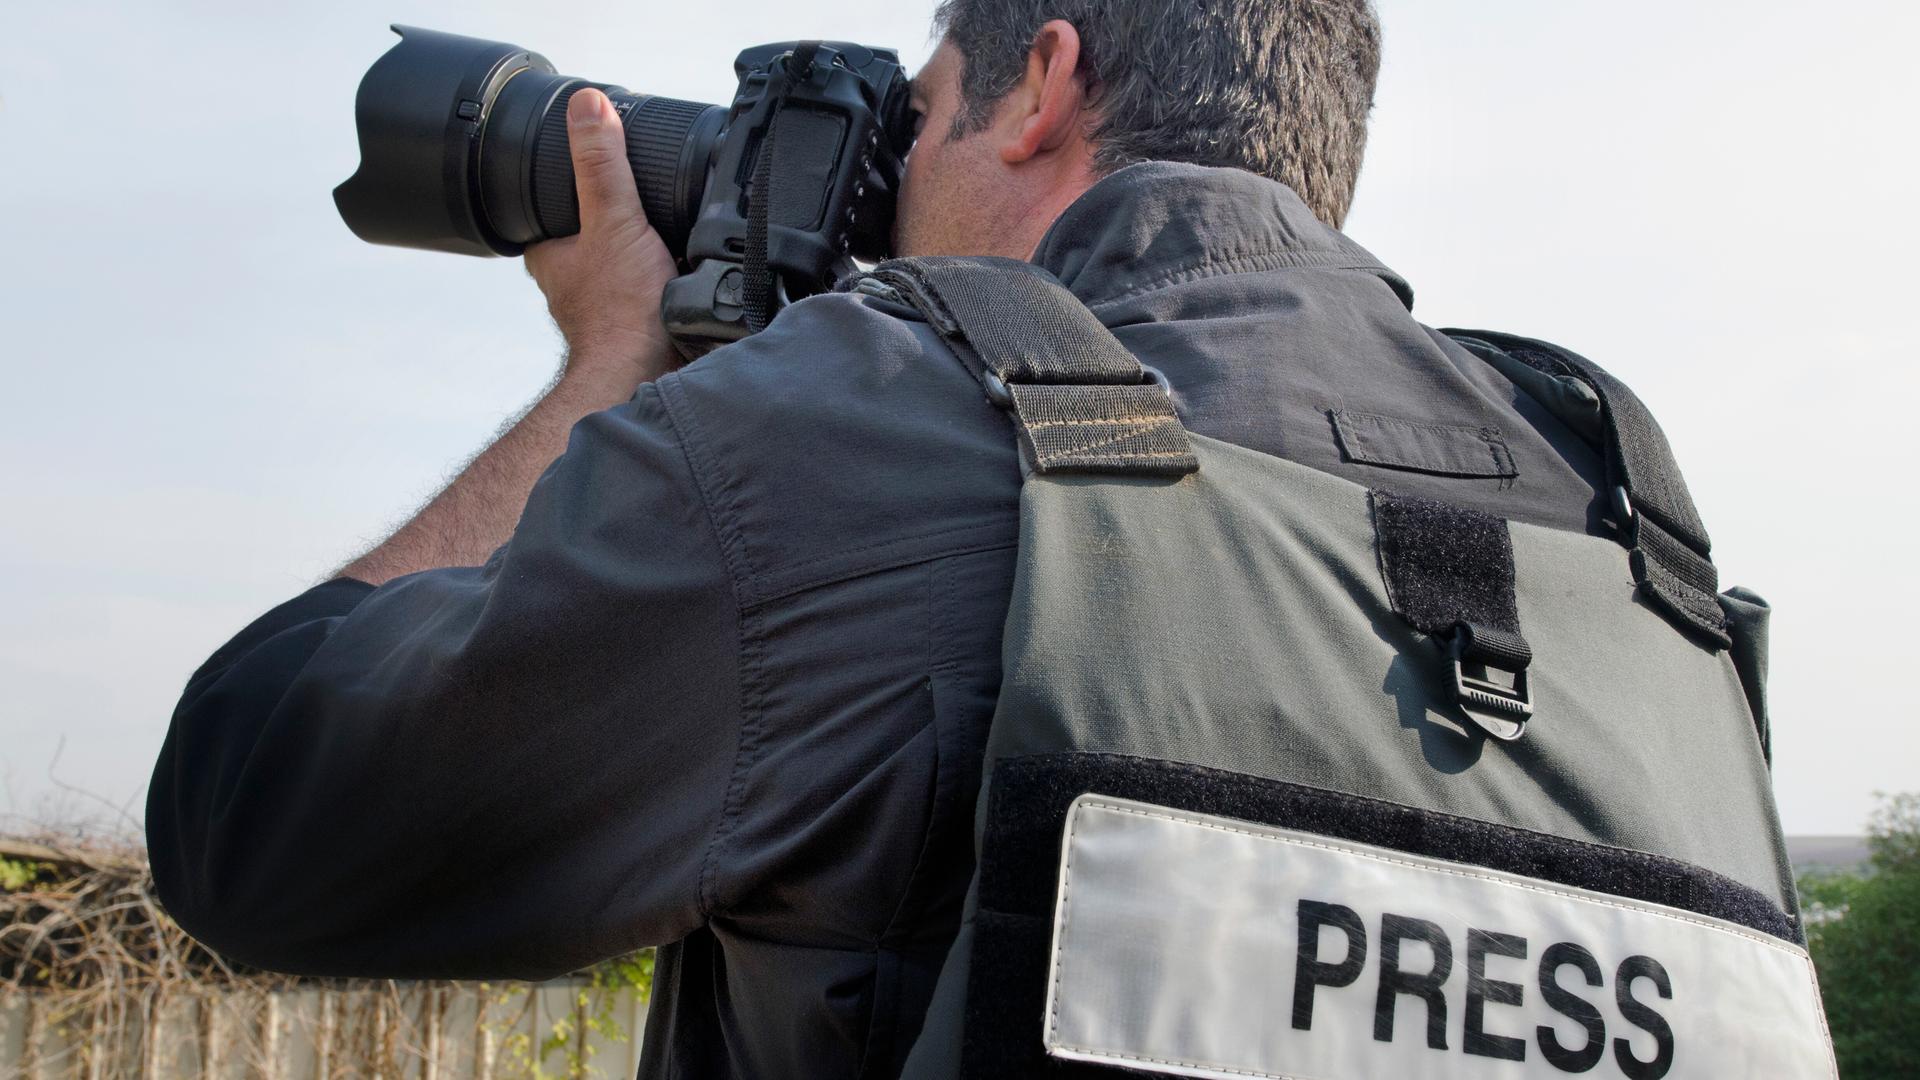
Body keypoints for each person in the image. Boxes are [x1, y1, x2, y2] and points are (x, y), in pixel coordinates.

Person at [148, 1, 1613, 1076]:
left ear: (1041, 87)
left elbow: (255, 817)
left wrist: (615, 359)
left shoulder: (879, 433)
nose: (894, 190)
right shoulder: (1601, 501)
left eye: (920, 118)